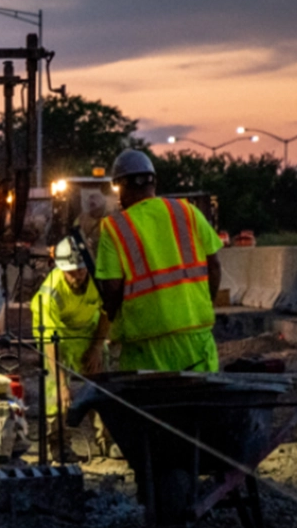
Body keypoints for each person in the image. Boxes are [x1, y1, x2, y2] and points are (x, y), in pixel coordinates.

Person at [94, 148, 225, 373]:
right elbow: (214, 266)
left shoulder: (115, 228)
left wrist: (111, 319)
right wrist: (202, 303)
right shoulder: (188, 211)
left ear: (122, 185)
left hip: (145, 347)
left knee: (148, 407)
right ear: (152, 182)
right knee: (202, 406)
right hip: (196, 338)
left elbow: (112, 289)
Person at [32, 237, 105, 428]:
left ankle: (107, 437)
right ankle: (58, 440)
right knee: (55, 386)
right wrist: (62, 384)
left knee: (101, 382)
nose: (76, 277)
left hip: (86, 329)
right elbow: (50, 342)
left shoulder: (98, 280)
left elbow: (107, 313)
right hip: (56, 335)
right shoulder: (50, 295)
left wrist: (96, 347)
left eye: (80, 270)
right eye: (70, 273)